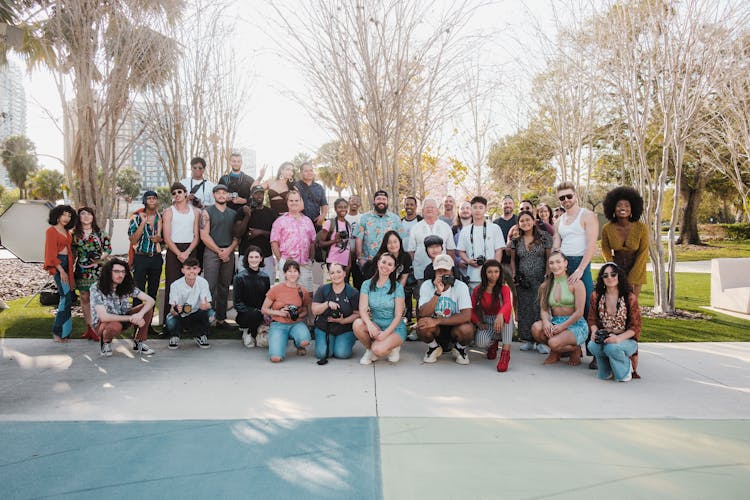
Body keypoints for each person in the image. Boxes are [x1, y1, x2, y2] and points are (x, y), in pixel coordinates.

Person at [553, 181, 599, 368]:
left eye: (569, 196)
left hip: (581, 264)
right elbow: (556, 245)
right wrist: (556, 265)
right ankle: (571, 347)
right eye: (562, 198)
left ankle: (595, 351)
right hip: (563, 265)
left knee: (588, 306)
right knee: (564, 306)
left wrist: (580, 269)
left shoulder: (587, 215)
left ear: (576, 195)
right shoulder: (559, 221)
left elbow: (591, 244)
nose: (566, 200)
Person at [531, 251, 588, 366]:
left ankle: (574, 349)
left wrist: (563, 326)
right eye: (551, 263)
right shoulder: (545, 285)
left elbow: (579, 312)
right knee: (536, 328)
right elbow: (544, 309)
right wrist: (546, 322)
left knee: (553, 342)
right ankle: (556, 352)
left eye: (558, 262)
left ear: (565, 263)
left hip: (575, 324)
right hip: (556, 321)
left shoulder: (577, 284)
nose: (555, 266)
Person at [587, 262, 642, 382]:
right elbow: (592, 319)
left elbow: (635, 327)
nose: (609, 278)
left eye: (613, 274)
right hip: (605, 337)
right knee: (592, 345)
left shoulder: (629, 297)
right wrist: (594, 332)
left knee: (611, 348)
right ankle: (607, 370)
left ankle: (626, 369)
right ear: (602, 279)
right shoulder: (596, 296)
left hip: (625, 339)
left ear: (619, 276)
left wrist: (617, 339)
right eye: (605, 275)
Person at [89, 258, 156, 357]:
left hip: (123, 317)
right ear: (108, 272)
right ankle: (106, 343)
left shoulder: (126, 286)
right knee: (114, 326)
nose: (120, 275)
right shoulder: (97, 288)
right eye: (116, 271)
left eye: (123, 272)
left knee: (147, 309)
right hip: (102, 324)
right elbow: (104, 317)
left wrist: (139, 315)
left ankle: (138, 342)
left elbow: (151, 300)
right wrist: (131, 318)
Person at [508, 210, 553, 353]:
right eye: (522, 221)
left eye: (528, 220)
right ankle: (528, 339)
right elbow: (513, 260)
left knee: (539, 308)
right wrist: (515, 274)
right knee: (525, 308)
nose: (525, 223)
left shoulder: (544, 237)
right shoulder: (516, 240)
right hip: (523, 280)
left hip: (540, 278)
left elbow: (549, 258)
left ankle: (540, 340)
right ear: (518, 224)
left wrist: (547, 275)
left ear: (534, 221)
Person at [417, 254, 474, 365]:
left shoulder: (461, 286)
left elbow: (466, 316)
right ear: (434, 272)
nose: (442, 274)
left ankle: (460, 348)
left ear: (452, 271)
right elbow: (423, 313)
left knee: (467, 329)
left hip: (454, 326)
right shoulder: (427, 286)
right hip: (435, 328)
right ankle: (433, 347)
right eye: (439, 271)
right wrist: (438, 292)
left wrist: (438, 320)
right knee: (422, 326)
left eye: (445, 271)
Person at [354, 252, 407, 364]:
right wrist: (369, 325)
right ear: (378, 263)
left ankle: (393, 347)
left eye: (390, 264)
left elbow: (398, 315)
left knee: (378, 350)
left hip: (394, 328)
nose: (385, 266)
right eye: (383, 262)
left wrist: (386, 333)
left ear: (393, 269)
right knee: (357, 324)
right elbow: (362, 310)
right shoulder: (366, 284)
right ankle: (369, 349)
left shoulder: (397, 287)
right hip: (376, 325)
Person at [200, 184, 239, 328]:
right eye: (218, 193)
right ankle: (206, 319)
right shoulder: (207, 212)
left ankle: (221, 319)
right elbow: (204, 235)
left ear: (228, 195)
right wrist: (219, 251)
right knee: (209, 286)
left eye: (224, 193)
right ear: (214, 195)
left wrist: (228, 251)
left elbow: (237, 236)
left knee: (224, 287)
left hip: (228, 253)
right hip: (212, 252)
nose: (221, 195)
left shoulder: (233, 214)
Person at [162, 182, 201, 321]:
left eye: (179, 192)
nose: (177, 195)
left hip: (190, 249)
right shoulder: (168, 212)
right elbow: (166, 237)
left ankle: (189, 320)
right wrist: (179, 253)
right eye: (173, 193)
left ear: (185, 193)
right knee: (172, 285)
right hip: (174, 250)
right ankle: (169, 321)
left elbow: (196, 236)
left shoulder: (195, 212)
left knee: (191, 283)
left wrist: (188, 252)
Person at [601, 186, 649, 297]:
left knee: (631, 304)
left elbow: (643, 253)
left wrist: (632, 277)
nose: (623, 208)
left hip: (637, 269)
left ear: (633, 208)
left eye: (627, 205)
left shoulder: (641, 228)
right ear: (613, 208)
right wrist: (613, 271)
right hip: (615, 270)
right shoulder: (607, 228)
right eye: (619, 205)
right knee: (616, 302)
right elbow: (605, 251)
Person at [260, 260, 312, 362]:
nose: (292, 274)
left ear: (299, 273)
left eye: (295, 271)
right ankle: (280, 342)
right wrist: (280, 313)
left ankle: (299, 345)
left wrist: (297, 315)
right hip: (278, 324)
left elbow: (306, 310)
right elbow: (264, 309)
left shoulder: (303, 291)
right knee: (276, 358)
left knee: (304, 341)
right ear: (284, 274)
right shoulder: (276, 289)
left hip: (296, 323)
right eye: (289, 271)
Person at [73, 206, 111, 342]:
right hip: (82, 270)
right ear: (79, 217)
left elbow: (108, 248)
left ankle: (98, 327)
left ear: (93, 217)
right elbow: (71, 252)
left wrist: (101, 257)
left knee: (97, 298)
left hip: (98, 270)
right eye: (83, 214)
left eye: (89, 214)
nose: (86, 216)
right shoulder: (74, 234)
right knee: (84, 298)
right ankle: (89, 328)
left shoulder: (100, 232)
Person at [128, 190, 163, 333]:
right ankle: (137, 325)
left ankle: (147, 326)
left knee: (153, 293)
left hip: (155, 257)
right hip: (141, 257)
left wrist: (160, 239)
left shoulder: (160, 217)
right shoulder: (136, 217)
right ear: (144, 201)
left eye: (154, 198)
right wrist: (143, 223)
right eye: (149, 198)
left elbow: (164, 238)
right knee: (138, 292)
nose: (152, 201)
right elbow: (133, 240)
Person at [311, 262, 360, 361]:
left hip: (345, 328)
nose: (336, 275)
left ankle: (346, 341)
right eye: (332, 273)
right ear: (329, 274)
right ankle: (325, 342)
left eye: (338, 272)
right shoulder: (323, 289)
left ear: (344, 273)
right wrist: (327, 304)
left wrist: (343, 321)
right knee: (323, 354)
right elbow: (315, 311)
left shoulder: (353, 292)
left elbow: (358, 314)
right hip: (325, 327)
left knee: (342, 353)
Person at [270, 189, 317, 292]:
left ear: (301, 202)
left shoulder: (308, 221)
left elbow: (313, 242)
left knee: (307, 295)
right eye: (291, 201)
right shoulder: (280, 221)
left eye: (296, 200)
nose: (294, 203)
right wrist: (280, 260)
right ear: (287, 202)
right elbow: (274, 242)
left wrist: (311, 259)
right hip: (287, 263)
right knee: (287, 294)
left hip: (304, 264)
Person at [471, 259, 513, 371]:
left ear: (500, 273)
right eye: (490, 272)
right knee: (480, 342)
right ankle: (492, 344)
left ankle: (505, 354)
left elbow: (508, 304)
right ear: (484, 273)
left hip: (503, 320)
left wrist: (500, 315)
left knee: (507, 316)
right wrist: (478, 322)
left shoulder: (504, 288)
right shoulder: (478, 289)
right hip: (487, 321)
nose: (493, 275)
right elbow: (470, 309)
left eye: (496, 271)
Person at [353, 190, 404, 281]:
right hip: (369, 262)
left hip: (389, 264)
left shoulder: (395, 219)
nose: (381, 201)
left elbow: (400, 240)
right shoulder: (365, 218)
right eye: (378, 199)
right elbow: (359, 238)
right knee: (368, 290)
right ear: (374, 201)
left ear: (387, 202)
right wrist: (360, 258)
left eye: (384, 199)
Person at [457, 196, 505, 291]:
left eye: (480, 207)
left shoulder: (495, 228)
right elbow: (460, 251)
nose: (477, 210)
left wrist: (495, 269)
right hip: (473, 276)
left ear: (485, 209)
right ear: (471, 209)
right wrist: (469, 261)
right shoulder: (465, 230)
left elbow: (499, 250)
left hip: (491, 277)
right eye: (475, 207)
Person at [407, 197, 455, 291]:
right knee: (422, 301)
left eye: (432, 207)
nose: (429, 209)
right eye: (427, 207)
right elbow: (411, 251)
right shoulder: (416, 228)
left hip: (443, 272)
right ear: (423, 210)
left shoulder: (445, 227)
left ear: (437, 210)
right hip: (421, 273)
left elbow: (450, 250)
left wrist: (450, 270)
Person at [44, 205, 76, 343]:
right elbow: (51, 252)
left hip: (67, 264)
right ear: (57, 215)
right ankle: (57, 332)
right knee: (65, 297)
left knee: (68, 298)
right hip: (58, 264)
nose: (66, 218)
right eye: (64, 215)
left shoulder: (68, 232)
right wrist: (61, 270)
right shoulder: (51, 231)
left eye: (69, 216)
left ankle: (65, 333)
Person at [164, 257, 212, 349]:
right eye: (188, 268)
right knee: (170, 319)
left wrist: (206, 306)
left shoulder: (203, 282)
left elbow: (207, 303)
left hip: (196, 313)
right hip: (181, 315)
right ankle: (175, 335)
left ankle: (200, 334)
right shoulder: (175, 285)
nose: (191, 271)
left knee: (211, 314)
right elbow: (172, 310)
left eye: (194, 268)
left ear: (199, 270)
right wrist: (176, 310)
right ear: (183, 270)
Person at [235, 185, 278, 281]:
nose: (259, 196)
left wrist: (261, 232)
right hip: (246, 256)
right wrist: (247, 216)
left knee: (267, 288)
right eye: (256, 193)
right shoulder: (243, 210)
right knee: (246, 290)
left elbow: (276, 235)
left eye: (261, 193)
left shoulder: (271, 212)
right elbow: (238, 233)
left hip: (266, 256)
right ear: (251, 195)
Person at [233, 246, 271, 348]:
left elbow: (267, 298)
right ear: (247, 259)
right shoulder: (239, 277)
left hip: (261, 313)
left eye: (256, 257)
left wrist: (266, 312)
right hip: (245, 315)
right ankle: (248, 331)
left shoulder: (265, 277)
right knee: (254, 315)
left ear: (261, 258)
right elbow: (237, 303)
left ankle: (258, 332)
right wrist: (253, 311)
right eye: (251, 257)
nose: (254, 260)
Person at [317, 198, 352, 273]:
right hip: (332, 261)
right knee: (333, 284)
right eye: (340, 207)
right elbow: (321, 243)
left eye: (345, 207)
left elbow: (348, 245)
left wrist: (349, 264)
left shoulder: (348, 225)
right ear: (335, 209)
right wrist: (334, 241)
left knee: (343, 284)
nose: (343, 209)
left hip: (345, 262)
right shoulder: (329, 223)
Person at [295, 162, 328, 229]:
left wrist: (323, 215)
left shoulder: (319, 187)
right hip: (299, 222)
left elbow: (324, 204)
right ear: (301, 173)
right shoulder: (296, 186)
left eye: (311, 170)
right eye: (306, 171)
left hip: (316, 222)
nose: (309, 173)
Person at [346, 194, 364, 288]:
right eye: (353, 200)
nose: (355, 203)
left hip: (359, 255)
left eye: (357, 201)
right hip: (345, 255)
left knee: (358, 282)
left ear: (360, 204)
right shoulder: (344, 217)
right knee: (345, 281)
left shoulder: (363, 218)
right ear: (349, 202)